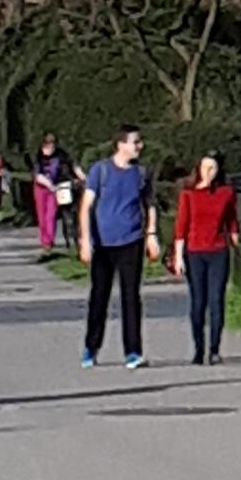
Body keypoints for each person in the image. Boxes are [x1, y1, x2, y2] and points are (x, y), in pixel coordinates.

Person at [81, 126, 151, 371]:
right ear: (121, 145)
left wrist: (152, 234)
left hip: (132, 240)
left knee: (131, 297)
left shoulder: (141, 173)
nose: (140, 146)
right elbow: (86, 206)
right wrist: (85, 240)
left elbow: (149, 204)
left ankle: (133, 351)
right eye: (135, 142)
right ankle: (91, 347)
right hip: (103, 243)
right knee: (99, 296)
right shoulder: (100, 171)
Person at [170, 149, 240, 364]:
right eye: (205, 168)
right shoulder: (189, 194)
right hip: (194, 252)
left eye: (213, 168)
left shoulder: (226, 193)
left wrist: (235, 239)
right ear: (198, 169)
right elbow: (181, 226)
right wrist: (178, 256)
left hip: (218, 250)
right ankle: (198, 349)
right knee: (198, 302)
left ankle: (214, 349)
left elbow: (231, 219)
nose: (208, 172)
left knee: (216, 300)